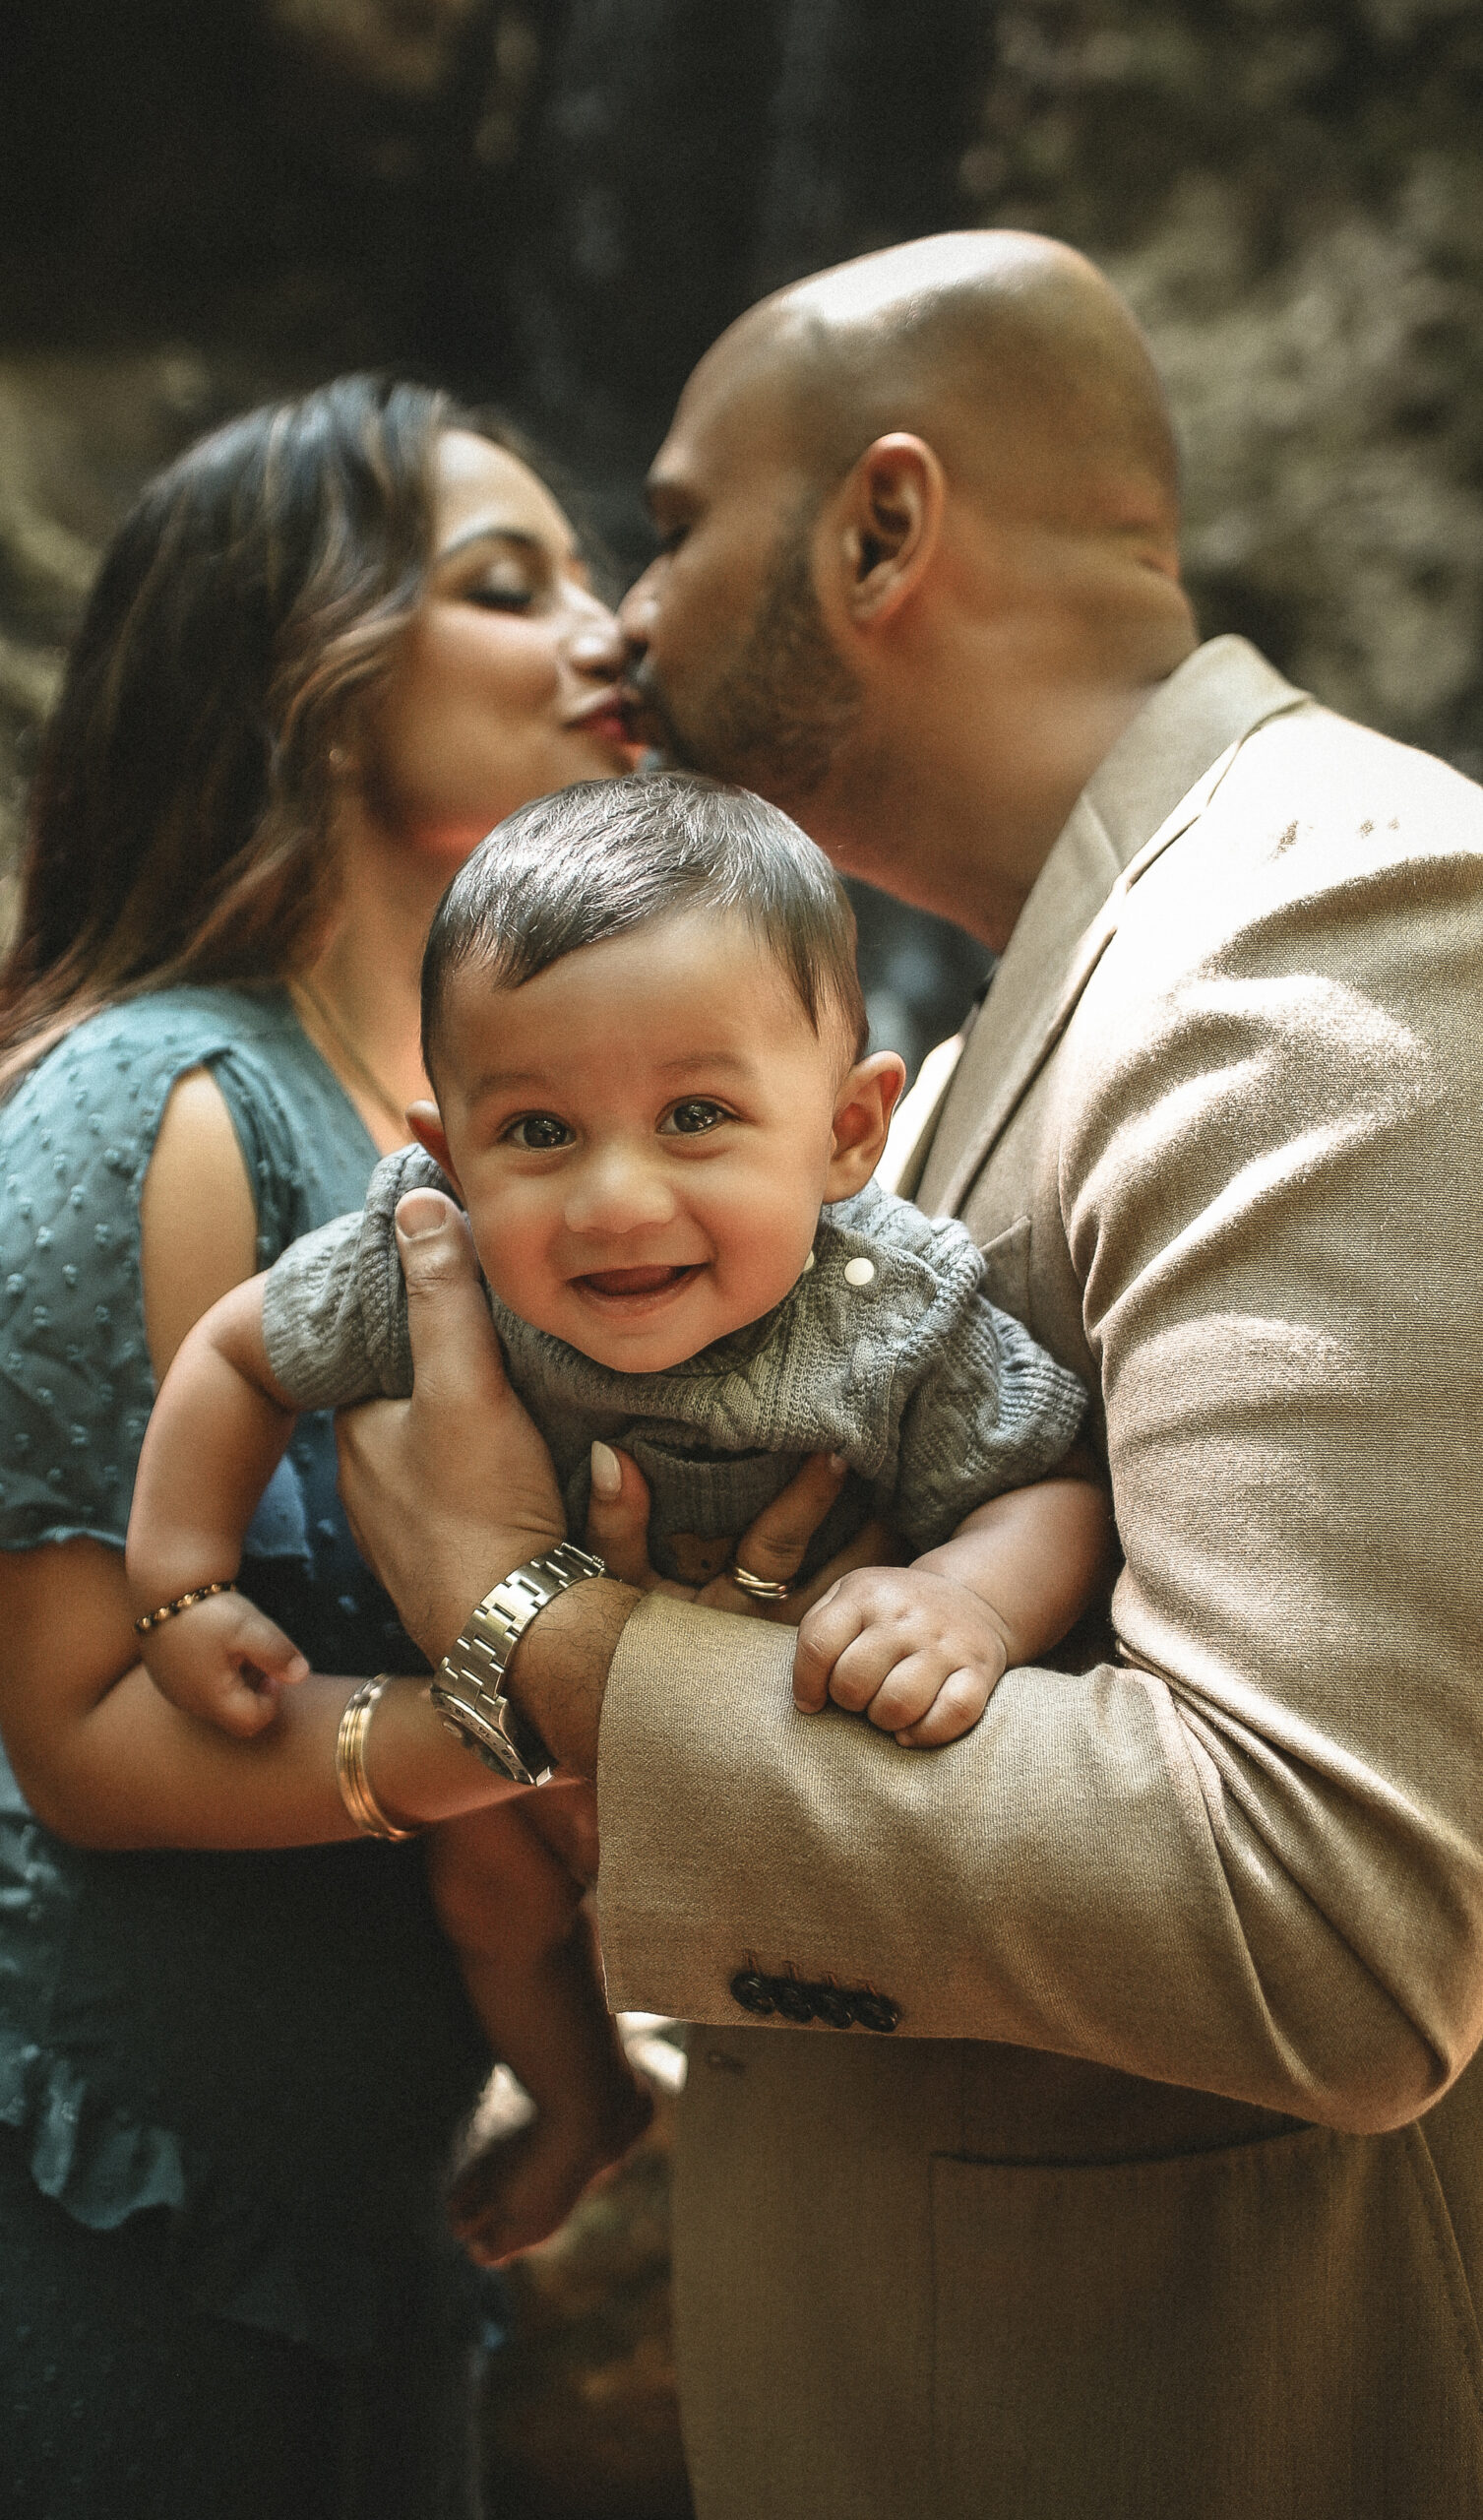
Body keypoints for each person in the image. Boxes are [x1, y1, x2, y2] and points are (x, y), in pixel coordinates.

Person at [330, 234, 1483, 2517]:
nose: (621, 627)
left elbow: (1331, 1919)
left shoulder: (1332, 926)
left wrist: (539, 1635)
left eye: (665, 528)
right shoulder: (935, 1058)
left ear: (878, 528)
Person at [0, 372, 664, 2520]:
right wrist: (550, 1702)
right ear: (305, 672)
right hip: (57, 2180)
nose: (611, 630)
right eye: (506, 582)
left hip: (351, 2203)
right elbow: (90, 1729)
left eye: (586, 571)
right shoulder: (157, 1107)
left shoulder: (464, 1113)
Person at [122, 772, 1106, 2263]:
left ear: (847, 1134)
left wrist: (969, 1599)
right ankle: (582, 2104)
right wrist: (182, 1580)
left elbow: (1053, 1483)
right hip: (506, 1740)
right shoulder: (423, 1254)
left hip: (773, 1743)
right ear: (447, 1154)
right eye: (539, 1132)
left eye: (697, 1116)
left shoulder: (892, 1313)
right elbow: (236, 1351)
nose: (615, 1199)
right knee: (490, 1887)